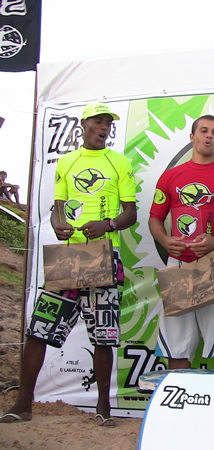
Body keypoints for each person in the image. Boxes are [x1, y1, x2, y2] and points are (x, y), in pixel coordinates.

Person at [0, 102, 137, 426]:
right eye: (98, 122)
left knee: (103, 336)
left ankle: (104, 407)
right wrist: (58, 223)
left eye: (107, 124)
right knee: (39, 330)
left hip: (104, 252)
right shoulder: (66, 161)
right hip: (69, 258)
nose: (103, 128)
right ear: (83, 125)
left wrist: (108, 224)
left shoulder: (119, 162)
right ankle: (23, 403)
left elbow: (130, 213)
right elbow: (56, 208)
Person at [149, 115, 214, 371]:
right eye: (204, 130)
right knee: (176, 346)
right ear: (192, 137)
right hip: (178, 266)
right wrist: (166, 240)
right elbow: (154, 219)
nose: (209, 136)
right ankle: (180, 408)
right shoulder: (169, 177)